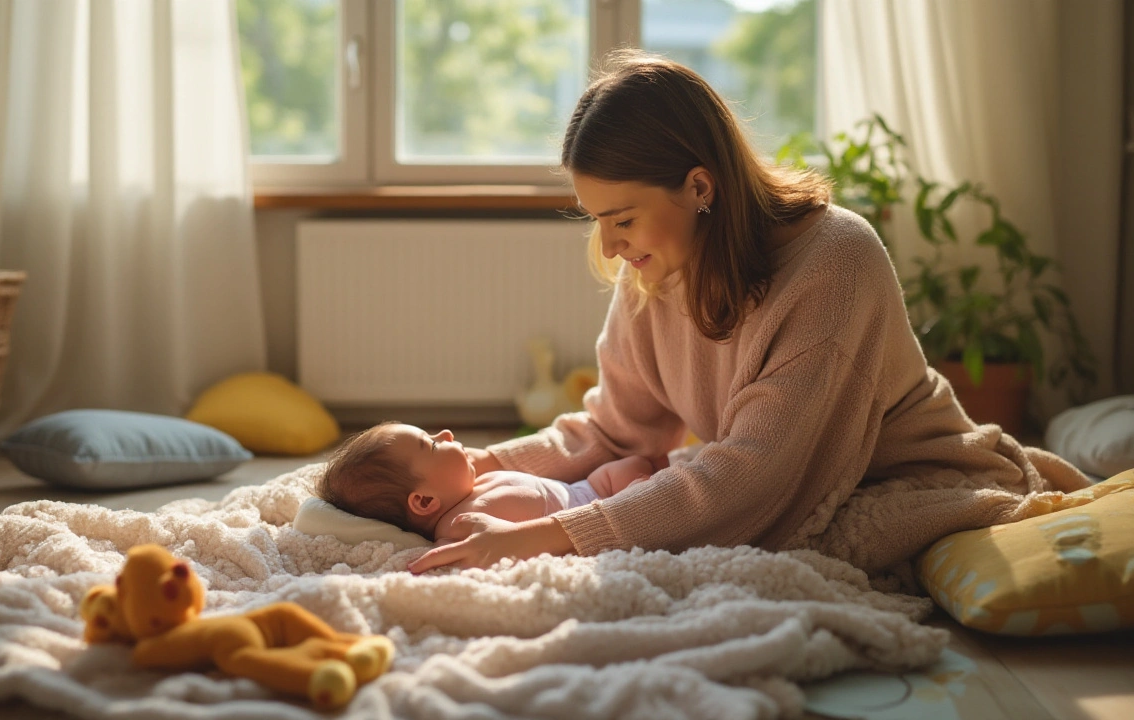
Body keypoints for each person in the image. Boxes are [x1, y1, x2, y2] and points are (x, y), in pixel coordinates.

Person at [407, 50, 1091, 583]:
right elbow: (614, 432)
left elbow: (750, 478)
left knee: (741, 554)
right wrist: (464, 467)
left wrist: (541, 537)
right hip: (780, 479)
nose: (610, 246)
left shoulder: (834, 262)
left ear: (699, 187)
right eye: (598, 221)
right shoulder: (655, 268)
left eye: (622, 219)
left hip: (903, 481)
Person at [316, 422, 666, 543]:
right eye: (433, 443)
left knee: (638, 461)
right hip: (596, 507)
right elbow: (460, 550)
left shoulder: (470, 489)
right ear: (424, 502)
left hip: (588, 488)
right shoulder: (459, 523)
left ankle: (661, 479)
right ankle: (655, 488)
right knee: (643, 481)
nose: (448, 434)